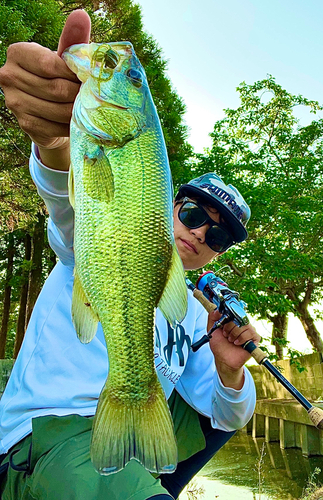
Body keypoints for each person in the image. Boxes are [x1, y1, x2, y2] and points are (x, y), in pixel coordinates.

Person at [0, 10, 260, 500]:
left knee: (209, 414)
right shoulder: (98, 236)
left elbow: (228, 416)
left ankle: (142, 475)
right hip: (46, 437)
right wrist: (53, 144)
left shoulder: (191, 317)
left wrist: (230, 371)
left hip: (121, 446)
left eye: (219, 235)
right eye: (192, 213)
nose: (200, 233)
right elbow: (66, 202)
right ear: (167, 205)